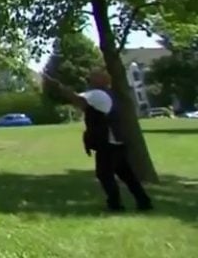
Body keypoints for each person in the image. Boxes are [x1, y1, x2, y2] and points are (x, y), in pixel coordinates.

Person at [46, 68, 153, 212]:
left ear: (101, 80)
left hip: (108, 142)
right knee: (127, 175)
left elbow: (77, 99)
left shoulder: (98, 94)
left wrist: (58, 87)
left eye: (93, 77)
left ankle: (115, 205)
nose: (89, 79)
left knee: (104, 174)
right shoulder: (109, 94)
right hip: (117, 140)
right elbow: (83, 105)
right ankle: (144, 202)